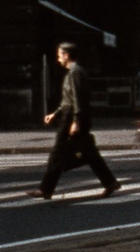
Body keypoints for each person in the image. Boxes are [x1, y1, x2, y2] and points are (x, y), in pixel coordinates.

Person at [29, 42, 120, 200]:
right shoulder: (74, 72)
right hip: (72, 115)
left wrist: (76, 121)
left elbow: (77, 98)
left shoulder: (75, 73)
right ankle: (110, 182)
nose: (58, 59)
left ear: (66, 55)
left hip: (73, 117)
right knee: (90, 153)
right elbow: (68, 99)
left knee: (58, 152)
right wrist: (55, 113)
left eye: (59, 55)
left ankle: (45, 189)